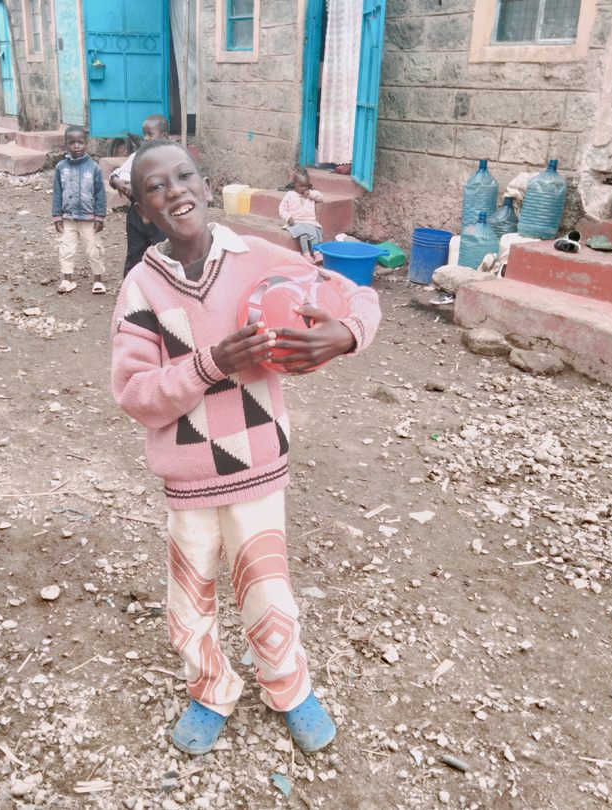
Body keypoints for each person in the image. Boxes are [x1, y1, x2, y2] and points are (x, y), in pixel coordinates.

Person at [110, 140, 380, 756]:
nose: (174, 191)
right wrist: (211, 363)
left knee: (267, 586)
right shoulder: (141, 289)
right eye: (155, 187)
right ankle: (210, 690)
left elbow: (358, 295)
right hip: (188, 477)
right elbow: (135, 394)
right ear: (143, 211)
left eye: (185, 176)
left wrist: (345, 335)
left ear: (206, 187)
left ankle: (289, 686)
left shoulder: (258, 257)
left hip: (258, 465)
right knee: (190, 594)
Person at [107, 114, 170, 276]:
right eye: (144, 134)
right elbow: (117, 174)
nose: (146, 138)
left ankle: (161, 285)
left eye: (150, 134)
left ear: (164, 136)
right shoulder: (137, 156)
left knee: (163, 254)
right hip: (137, 214)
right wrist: (117, 181)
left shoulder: (171, 158)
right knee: (135, 255)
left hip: (160, 216)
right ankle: (131, 286)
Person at [51, 125, 107, 294]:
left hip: (89, 218)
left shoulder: (94, 167)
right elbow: (57, 192)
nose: (76, 146)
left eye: (80, 142)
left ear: (86, 143)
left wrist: (100, 217)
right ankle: (67, 280)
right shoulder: (61, 167)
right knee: (66, 249)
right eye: (72, 143)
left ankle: (98, 280)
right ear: (66, 144)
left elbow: (100, 193)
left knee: (94, 249)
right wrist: (57, 216)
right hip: (68, 218)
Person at [278, 168, 324, 261]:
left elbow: (321, 198)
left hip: (309, 221)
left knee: (314, 235)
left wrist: (310, 194)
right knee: (303, 236)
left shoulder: (310, 194)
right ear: (294, 184)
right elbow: (282, 208)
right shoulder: (290, 195)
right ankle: (306, 255)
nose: (304, 188)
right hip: (296, 222)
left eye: (306, 186)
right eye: (301, 186)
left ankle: (317, 253)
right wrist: (288, 218)